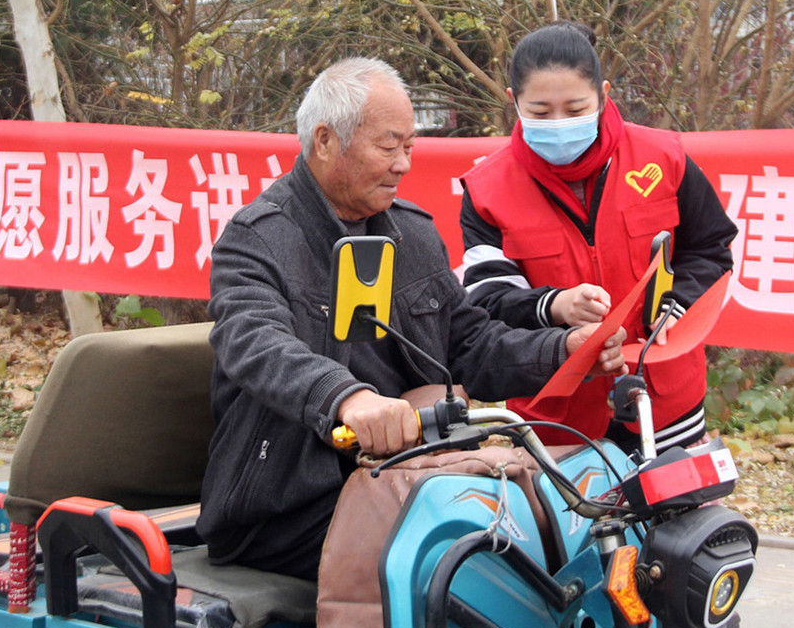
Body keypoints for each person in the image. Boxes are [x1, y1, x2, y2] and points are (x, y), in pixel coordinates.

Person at [197, 57, 626, 582]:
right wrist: (346, 399)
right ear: (326, 141)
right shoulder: (257, 239)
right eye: (388, 147)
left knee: (548, 530)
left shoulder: (412, 234)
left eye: (410, 148)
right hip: (284, 504)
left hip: (408, 475)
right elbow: (255, 343)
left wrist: (564, 350)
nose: (403, 164)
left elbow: (469, 343)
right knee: (451, 563)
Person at [460, 22, 738, 455]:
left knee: (678, 518)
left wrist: (674, 307)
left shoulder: (664, 158)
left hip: (664, 402)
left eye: (574, 110)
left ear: (604, 94)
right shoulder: (485, 190)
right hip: (556, 419)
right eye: (539, 111)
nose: (557, 124)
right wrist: (554, 306)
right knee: (574, 520)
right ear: (513, 102)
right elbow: (486, 299)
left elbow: (710, 247)